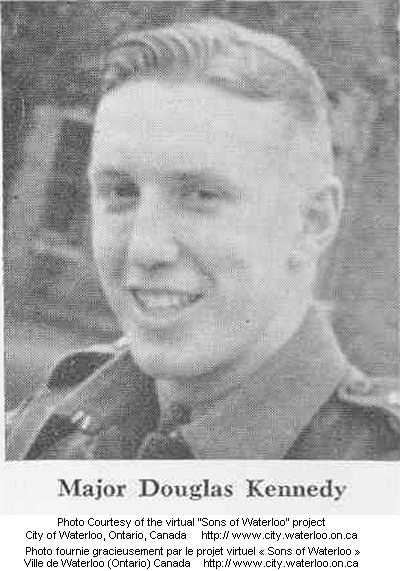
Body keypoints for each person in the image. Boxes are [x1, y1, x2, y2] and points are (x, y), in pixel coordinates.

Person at [6, 18, 400, 460]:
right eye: (121, 192)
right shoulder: (43, 426)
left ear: (313, 222)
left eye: (201, 195)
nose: (145, 249)